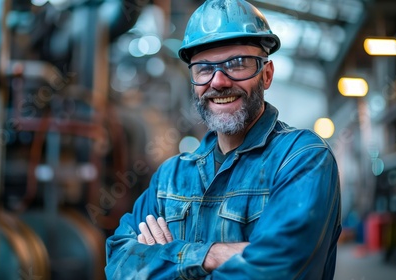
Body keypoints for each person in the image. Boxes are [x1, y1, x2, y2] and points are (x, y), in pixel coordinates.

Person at [105, 0, 342, 279]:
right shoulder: (169, 178)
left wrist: (167, 259)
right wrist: (212, 255)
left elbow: (276, 270)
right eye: (204, 68)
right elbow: (119, 262)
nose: (218, 81)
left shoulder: (302, 159)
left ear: (266, 75)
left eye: (237, 63)